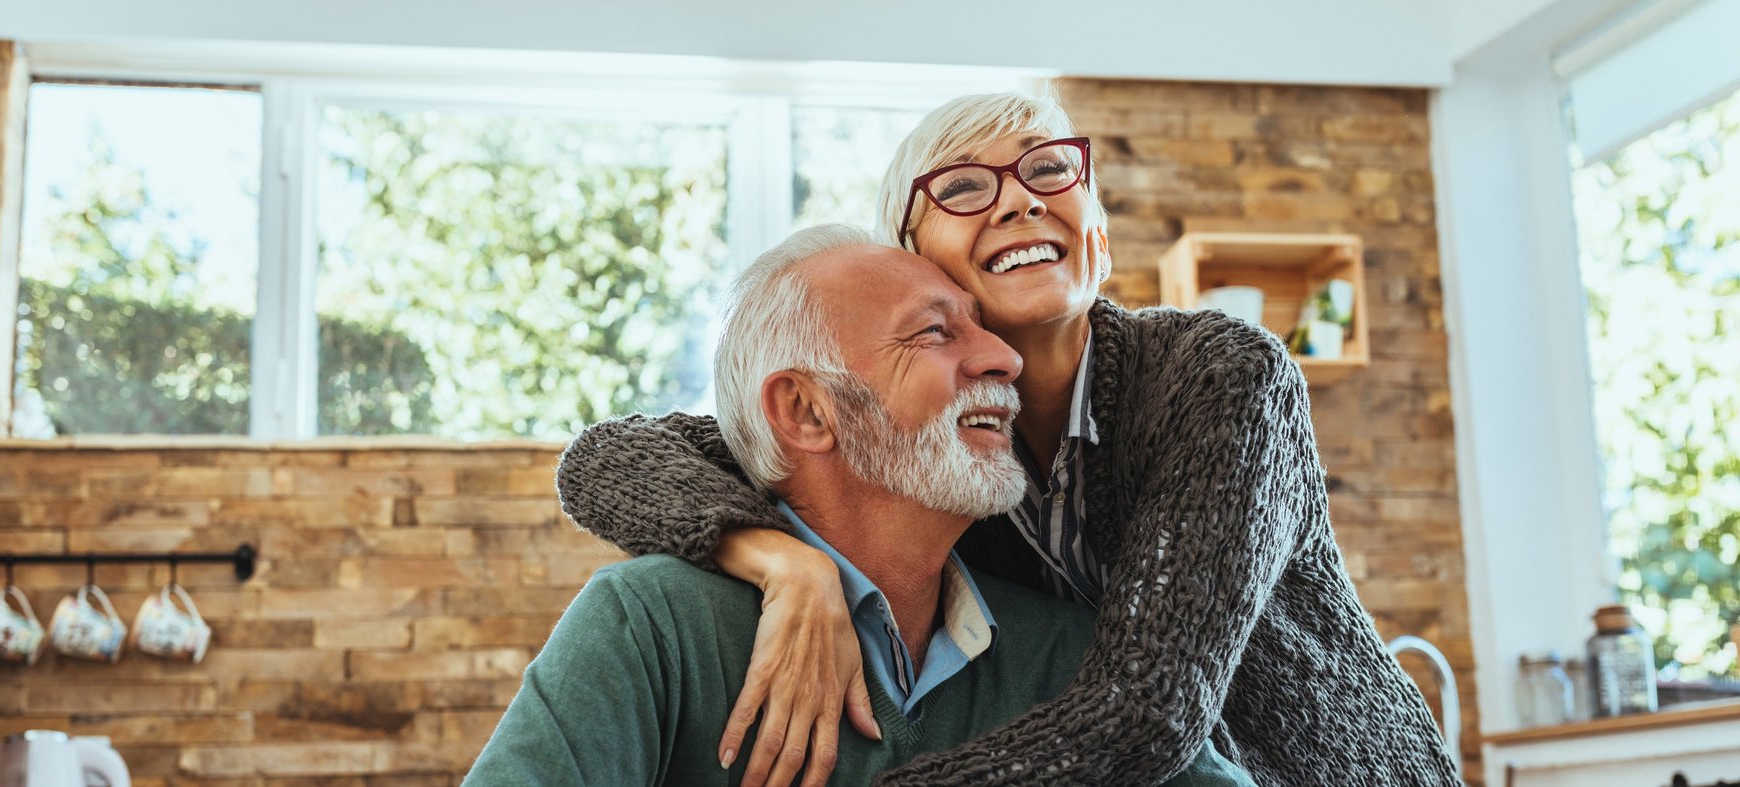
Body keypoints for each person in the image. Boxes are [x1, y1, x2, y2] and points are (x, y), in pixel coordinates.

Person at [555, 93, 1461, 786]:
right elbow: (609, 456)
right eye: (962, 186)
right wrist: (784, 561)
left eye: (1049, 172)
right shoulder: (933, 452)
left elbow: (1146, 711)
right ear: (911, 257)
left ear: (1097, 237)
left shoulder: (1221, 376)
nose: (1020, 201)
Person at [465, 226, 1257, 787]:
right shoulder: (653, 626)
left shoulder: (1073, 654)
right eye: (934, 333)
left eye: (980, 327)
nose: (1003, 357)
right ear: (808, 412)